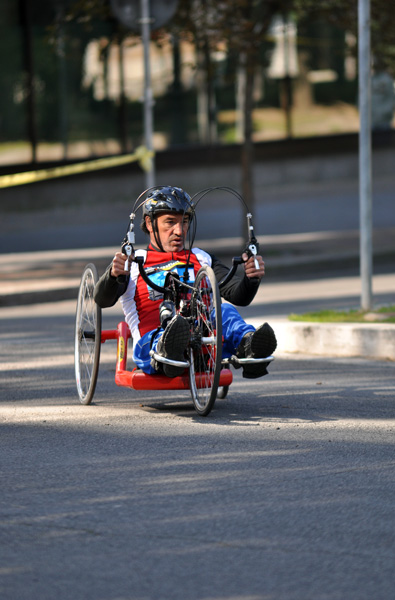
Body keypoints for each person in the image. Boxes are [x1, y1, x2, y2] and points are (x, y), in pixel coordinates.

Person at [94, 186, 277, 379]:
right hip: (151, 345)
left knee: (225, 311)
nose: (179, 231)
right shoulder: (133, 262)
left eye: (185, 222)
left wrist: (251, 279)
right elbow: (102, 300)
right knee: (169, 327)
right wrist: (113, 276)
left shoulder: (202, 258)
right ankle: (169, 348)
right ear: (149, 223)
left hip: (203, 340)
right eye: (170, 223)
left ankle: (249, 346)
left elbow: (239, 296)